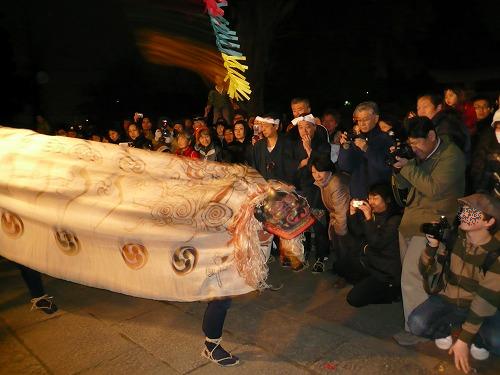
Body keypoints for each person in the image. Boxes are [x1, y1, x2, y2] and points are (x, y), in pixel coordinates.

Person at [392, 116, 466, 345]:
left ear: (432, 136)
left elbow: (434, 188)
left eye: (417, 144)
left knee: (411, 276)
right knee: (420, 277)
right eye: (410, 144)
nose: (414, 149)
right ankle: (431, 321)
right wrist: (397, 169)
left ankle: (415, 330)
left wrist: (409, 167)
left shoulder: (452, 156)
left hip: (435, 223)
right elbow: (405, 187)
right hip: (411, 221)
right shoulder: (418, 155)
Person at [408, 193, 499, 373]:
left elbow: (484, 300)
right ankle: (447, 330)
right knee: (416, 323)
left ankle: (478, 339)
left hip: (484, 307)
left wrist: (464, 340)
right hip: (449, 299)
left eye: (473, 213)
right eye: (464, 210)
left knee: (497, 342)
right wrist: (432, 247)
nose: (465, 215)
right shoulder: (453, 239)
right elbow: (426, 271)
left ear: (489, 222)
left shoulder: (495, 254)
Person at [342, 184, 402, 305]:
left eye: (375, 198)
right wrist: (352, 213)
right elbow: (358, 232)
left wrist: (368, 217)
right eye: (369, 198)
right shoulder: (374, 214)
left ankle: (392, 293)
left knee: (353, 299)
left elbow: (376, 242)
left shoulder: (395, 220)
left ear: (388, 199)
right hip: (371, 263)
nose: (371, 202)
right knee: (340, 266)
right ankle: (367, 284)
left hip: (386, 272)